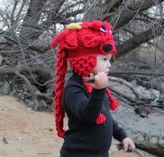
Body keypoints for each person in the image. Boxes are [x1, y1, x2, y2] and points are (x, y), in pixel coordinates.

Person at [50, 20, 135, 157]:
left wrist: (123, 136)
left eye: (109, 60)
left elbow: (105, 116)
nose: (109, 65)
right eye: (104, 59)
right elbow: (88, 115)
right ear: (86, 59)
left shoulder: (95, 86)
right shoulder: (73, 89)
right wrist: (99, 91)